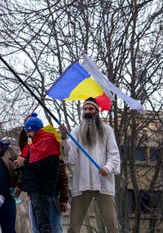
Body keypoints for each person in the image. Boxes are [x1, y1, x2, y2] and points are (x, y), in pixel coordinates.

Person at [59, 97, 121, 233]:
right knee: (73, 227)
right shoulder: (76, 131)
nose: (87, 111)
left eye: (91, 109)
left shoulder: (107, 130)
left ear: (97, 112)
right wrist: (64, 138)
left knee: (112, 226)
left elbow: (114, 154)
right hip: (82, 183)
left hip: (103, 183)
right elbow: (70, 156)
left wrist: (107, 168)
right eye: (85, 109)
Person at [12, 113, 60, 233]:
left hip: (41, 189)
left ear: (35, 129)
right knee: (39, 224)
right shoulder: (35, 145)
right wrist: (20, 164)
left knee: (44, 224)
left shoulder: (47, 141)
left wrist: (25, 162)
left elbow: (46, 165)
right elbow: (31, 163)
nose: (28, 135)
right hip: (35, 189)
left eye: (29, 131)